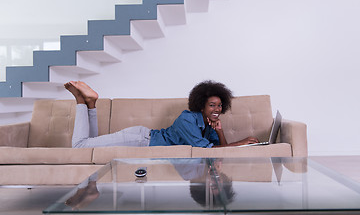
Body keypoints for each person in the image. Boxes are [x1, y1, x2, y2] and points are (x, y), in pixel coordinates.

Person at [64, 80, 259, 148]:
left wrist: (221, 131)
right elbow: (206, 150)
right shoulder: (188, 119)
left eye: (219, 106)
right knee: (81, 146)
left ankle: (90, 103)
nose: (217, 110)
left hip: (141, 139)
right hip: (141, 140)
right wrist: (240, 143)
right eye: (212, 105)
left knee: (92, 144)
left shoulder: (208, 126)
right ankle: (81, 101)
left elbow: (221, 152)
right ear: (201, 106)